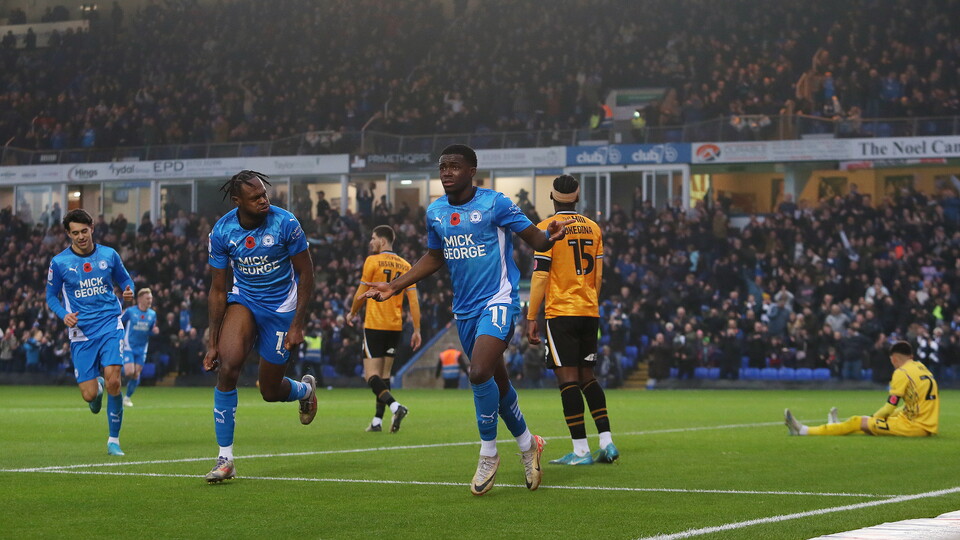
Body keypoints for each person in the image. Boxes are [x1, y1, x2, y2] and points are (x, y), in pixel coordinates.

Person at [364, 144, 572, 496]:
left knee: (477, 372)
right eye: (442, 166)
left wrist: (551, 236)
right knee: (499, 385)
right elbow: (434, 256)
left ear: (472, 170)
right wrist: (395, 286)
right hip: (465, 310)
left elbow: (535, 238)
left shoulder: (496, 203)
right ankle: (527, 444)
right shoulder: (436, 211)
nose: (446, 172)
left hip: (500, 300)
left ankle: (488, 453)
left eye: (455, 166)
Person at [202, 170, 317, 483]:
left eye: (265, 195)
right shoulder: (223, 231)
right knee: (227, 367)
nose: (264, 201)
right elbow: (217, 288)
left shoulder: (286, 223)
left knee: (269, 390)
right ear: (238, 201)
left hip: (281, 308)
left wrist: (297, 324)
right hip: (245, 300)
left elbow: (306, 274)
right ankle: (225, 458)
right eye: (256, 198)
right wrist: (212, 342)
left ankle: (305, 390)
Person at [527, 174, 619, 466]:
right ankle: (607, 442)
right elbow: (599, 275)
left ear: (552, 198)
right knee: (587, 377)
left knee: (567, 380)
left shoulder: (546, 228)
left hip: (561, 311)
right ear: (577, 198)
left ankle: (581, 451)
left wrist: (531, 316)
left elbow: (541, 274)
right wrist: (590, 302)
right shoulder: (593, 227)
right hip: (589, 310)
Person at [45, 208, 135, 456]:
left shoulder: (109, 254)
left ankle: (113, 440)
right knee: (89, 396)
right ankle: (96, 387)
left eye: (84, 231)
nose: (81, 236)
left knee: (115, 381)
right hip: (81, 332)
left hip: (109, 323)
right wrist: (64, 314)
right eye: (75, 233)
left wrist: (128, 290)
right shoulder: (60, 263)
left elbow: (126, 280)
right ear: (68, 234)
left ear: (92, 228)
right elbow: (51, 296)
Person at [348, 225, 422, 433]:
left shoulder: (373, 261)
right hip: (395, 327)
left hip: (374, 325)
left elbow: (362, 293)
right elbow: (414, 302)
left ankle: (396, 407)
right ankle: (377, 421)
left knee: (370, 376)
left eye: (373, 238)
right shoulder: (406, 265)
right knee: (385, 375)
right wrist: (416, 329)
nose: (371, 242)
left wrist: (352, 313)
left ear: (382, 241)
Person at [785, 341, 938, 437]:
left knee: (857, 421)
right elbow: (917, 402)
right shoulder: (921, 368)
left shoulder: (901, 372)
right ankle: (836, 427)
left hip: (913, 427)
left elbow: (889, 407)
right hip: (923, 422)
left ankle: (803, 430)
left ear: (895, 359)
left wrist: (873, 417)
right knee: (867, 425)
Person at [120, 287, 158, 407]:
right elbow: (119, 322)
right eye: (147, 298)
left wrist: (154, 331)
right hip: (129, 346)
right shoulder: (130, 311)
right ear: (140, 299)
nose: (150, 301)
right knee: (129, 371)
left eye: (151, 298)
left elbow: (150, 331)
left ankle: (127, 398)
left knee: (136, 374)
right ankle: (113, 369)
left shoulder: (153, 314)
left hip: (142, 349)